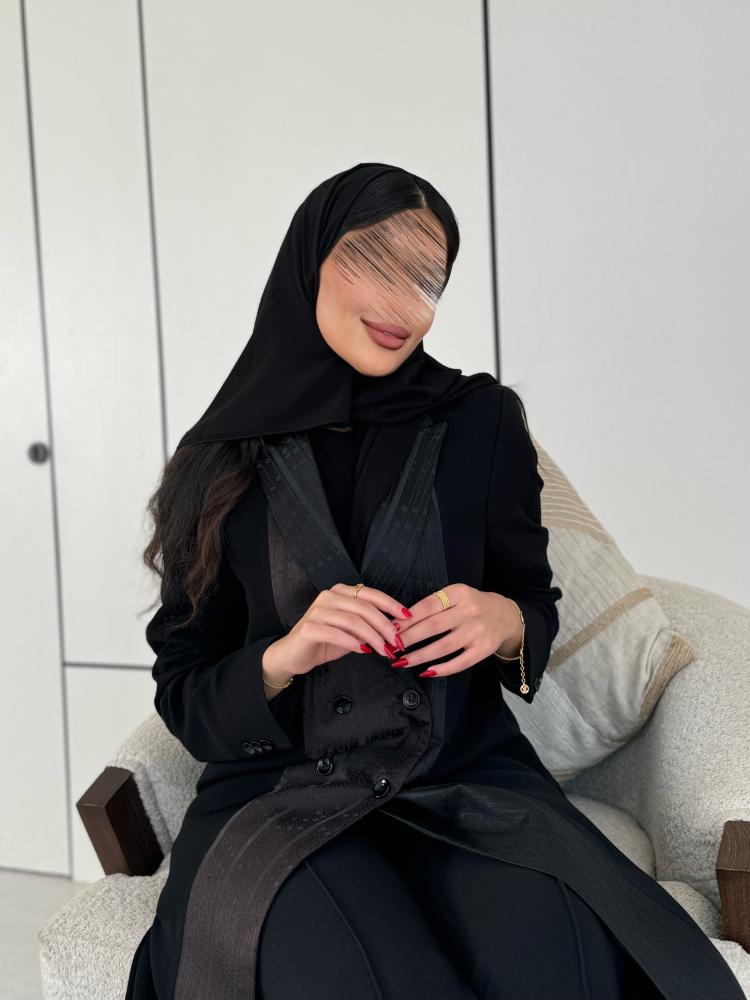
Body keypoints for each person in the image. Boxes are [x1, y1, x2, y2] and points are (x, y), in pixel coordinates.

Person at [125, 162, 744, 1000]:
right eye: (373, 261)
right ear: (309, 259)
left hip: (465, 779)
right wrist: (284, 656)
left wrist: (504, 620)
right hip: (280, 792)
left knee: (563, 966)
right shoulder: (218, 457)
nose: (402, 303)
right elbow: (184, 684)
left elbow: (533, 602)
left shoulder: (480, 421)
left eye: (426, 279)